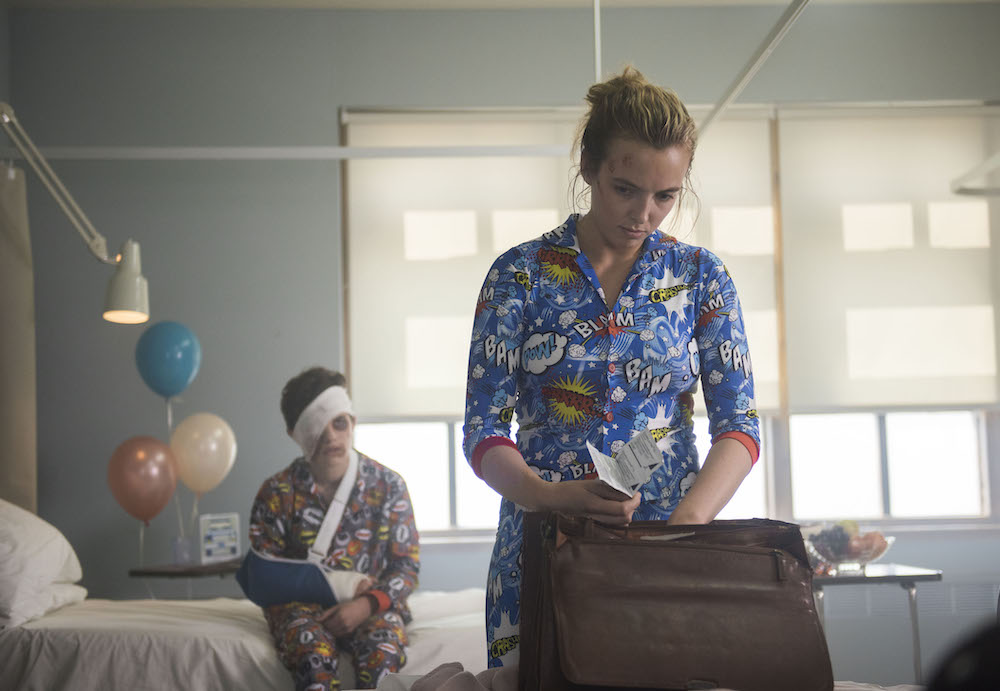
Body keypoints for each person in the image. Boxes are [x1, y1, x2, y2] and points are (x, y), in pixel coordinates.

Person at [462, 66, 760, 668]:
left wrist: (684, 525)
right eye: (625, 188)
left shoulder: (701, 278)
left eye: (665, 196)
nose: (644, 214)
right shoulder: (519, 276)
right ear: (588, 168)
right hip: (543, 548)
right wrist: (546, 496)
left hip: (669, 551)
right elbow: (483, 430)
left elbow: (740, 426)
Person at [249, 367, 420, 690]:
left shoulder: (389, 486)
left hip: (372, 607)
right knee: (312, 657)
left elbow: (406, 566)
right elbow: (264, 576)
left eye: (339, 422)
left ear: (352, 422)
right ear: (294, 434)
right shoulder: (276, 494)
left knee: (381, 657)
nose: (330, 436)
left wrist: (365, 604)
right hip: (300, 612)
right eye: (316, 427)